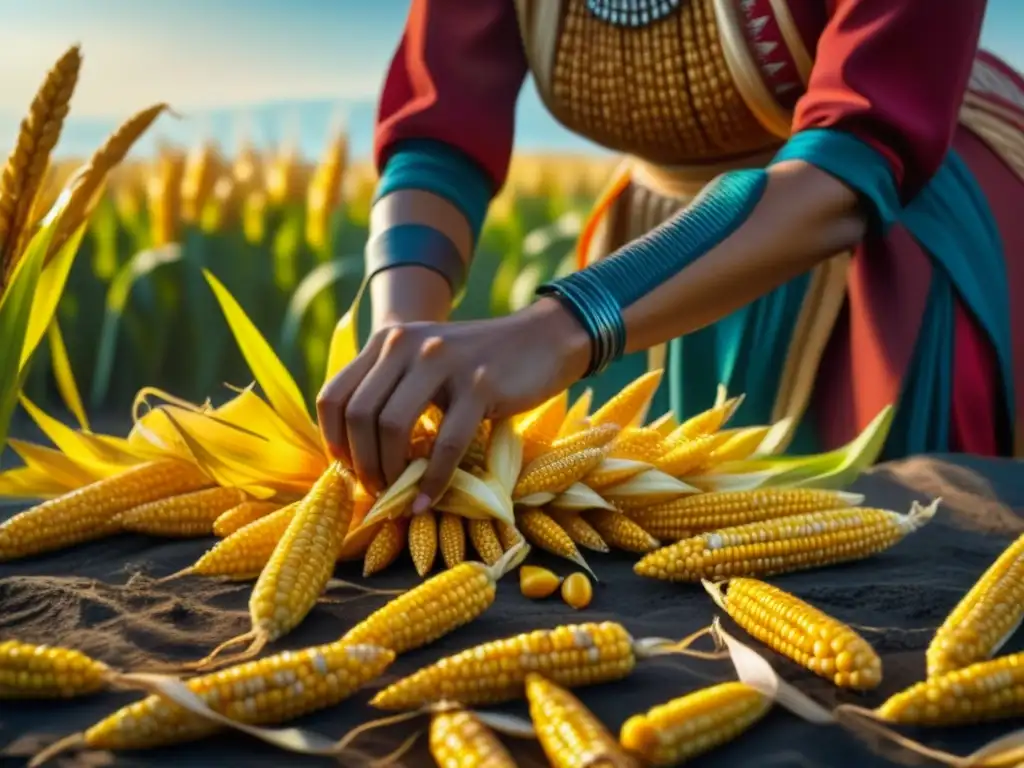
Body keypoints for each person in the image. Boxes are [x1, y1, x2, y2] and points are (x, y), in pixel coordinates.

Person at [317, 0, 1024, 511]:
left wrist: (559, 329)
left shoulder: (569, 327)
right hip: (645, 257)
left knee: (888, 545)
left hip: (881, 233)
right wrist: (399, 338)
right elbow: (439, 130)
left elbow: (856, 154)